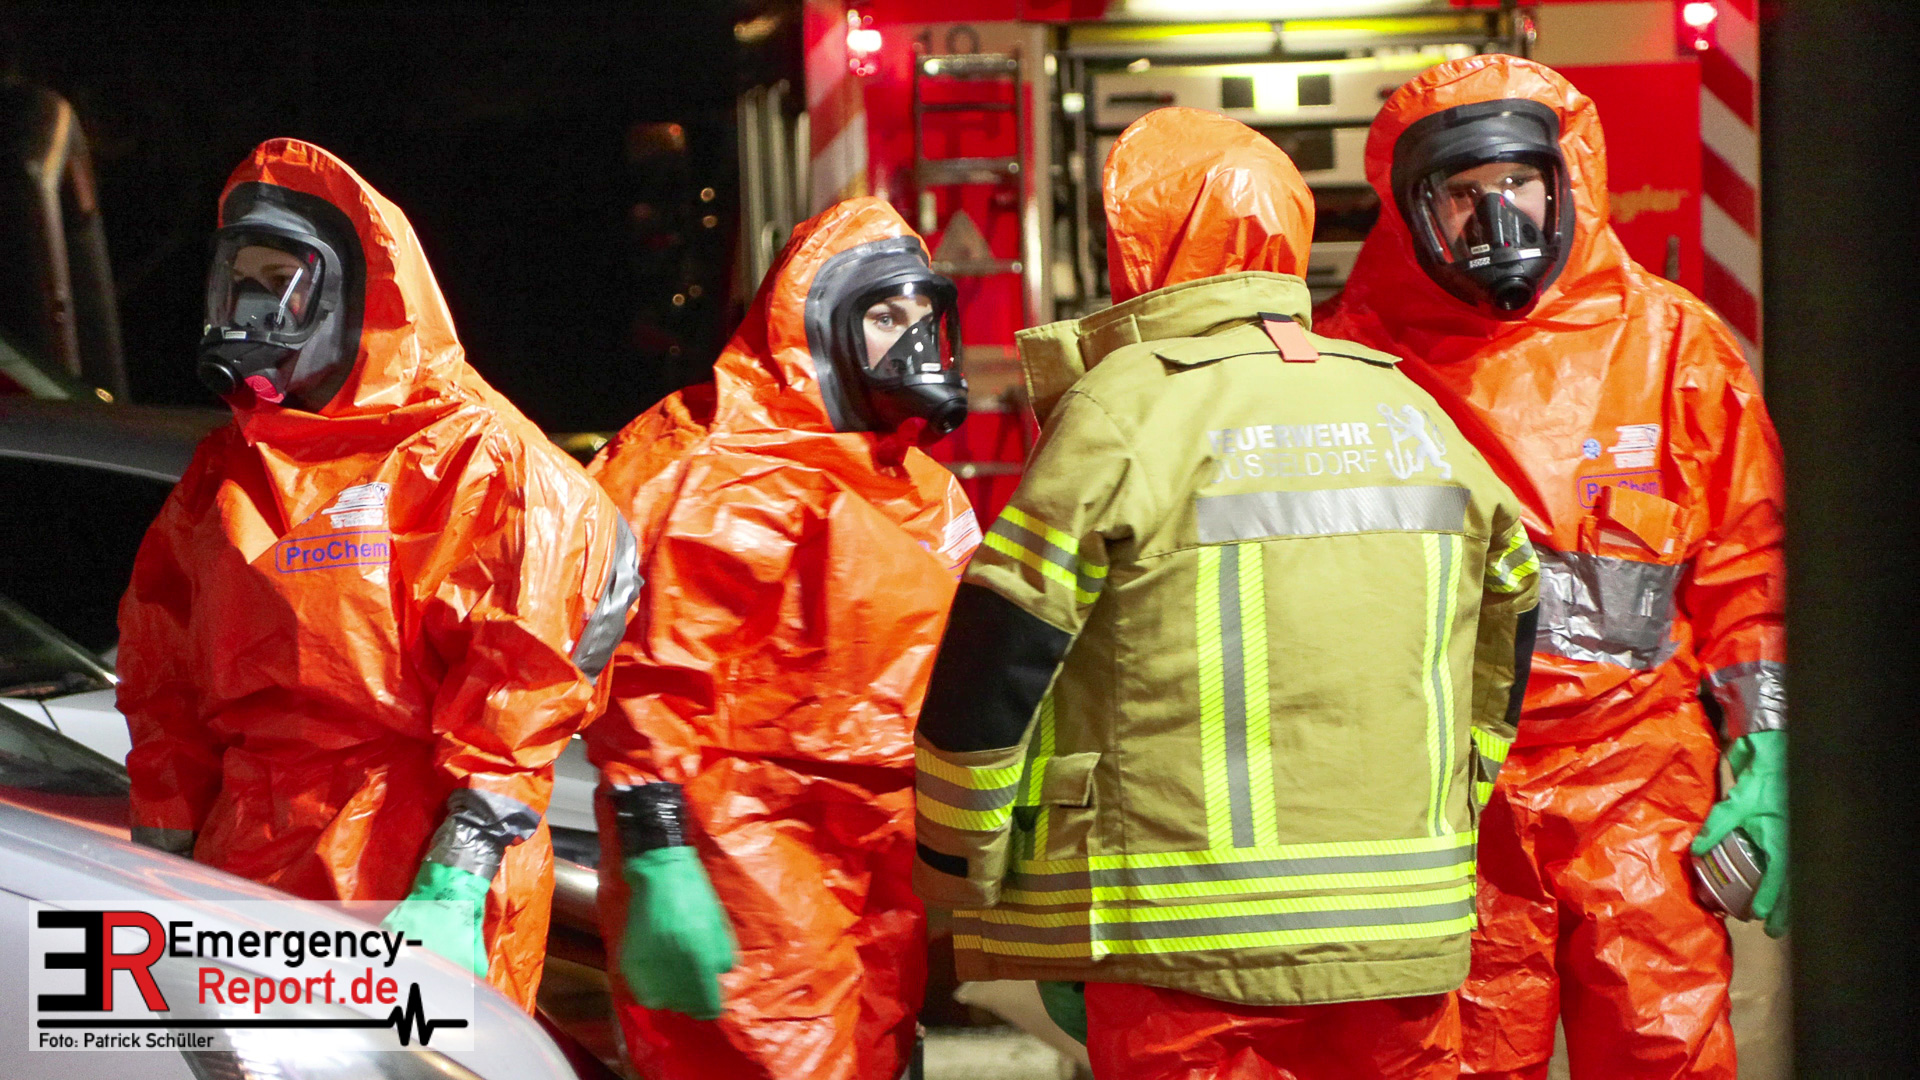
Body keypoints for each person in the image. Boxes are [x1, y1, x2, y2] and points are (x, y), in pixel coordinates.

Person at [911, 106, 1540, 1080]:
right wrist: (1454, 798)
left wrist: (963, 869)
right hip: (1404, 939)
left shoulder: (1121, 411)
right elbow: (1513, 611)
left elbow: (1004, 647)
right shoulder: (1412, 410)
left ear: (1137, 247)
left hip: (1177, 947)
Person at [1316, 55, 1788, 1080]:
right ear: (1412, 209)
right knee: (1457, 1060)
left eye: (1518, 184)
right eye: (1464, 193)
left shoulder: (1670, 347)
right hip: (1448, 794)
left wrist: (1772, 749)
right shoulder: (1352, 366)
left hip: (1639, 784)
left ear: (1564, 180)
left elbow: (1747, 567)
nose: (1499, 220)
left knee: (1665, 1047)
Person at [117, 138, 640, 1012]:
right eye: (240, 280)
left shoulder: (482, 461)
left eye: (279, 278)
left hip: (414, 857)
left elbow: (529, 685)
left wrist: (460, 872)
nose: (253, 305)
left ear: (355, 293)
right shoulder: (225, 475)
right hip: (245, 861)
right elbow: (164, 680)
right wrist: (163, 861)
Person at [584, 196, 978, 1080]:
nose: (914, 341)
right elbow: (647, 679)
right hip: (747, 844)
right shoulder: (718, 471)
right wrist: (659, 852)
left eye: (922, 315)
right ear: (825, 327)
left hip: (882, 851)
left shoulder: (920, 490)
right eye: (886, 317)